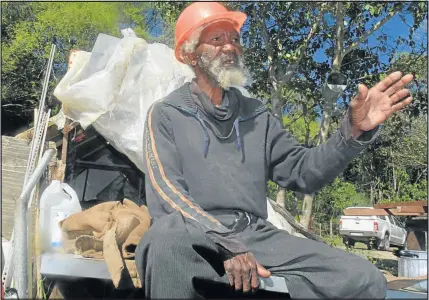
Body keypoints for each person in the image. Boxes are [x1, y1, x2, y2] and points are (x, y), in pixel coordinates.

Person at [136, 2, 413, 299]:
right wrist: (227, 243)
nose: (230, 47)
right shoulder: (165, 113)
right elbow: (167, 192)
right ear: (190, 54)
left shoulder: (256, 114)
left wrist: (353, 131)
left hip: (256, 235)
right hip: (195, 234)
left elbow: (304, 172)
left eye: (235, 39)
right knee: (164, 240)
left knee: (363, 278)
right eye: (217, 40)